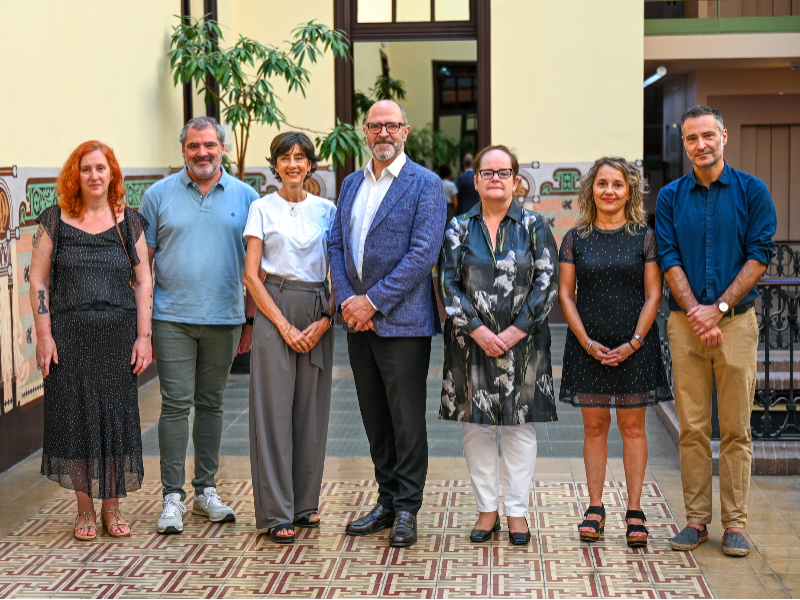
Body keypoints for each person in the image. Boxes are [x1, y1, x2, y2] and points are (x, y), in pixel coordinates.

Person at [656, 105, 776, 557]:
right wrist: (697, 313)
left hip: (737, 324)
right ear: (684, 144)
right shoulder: (670, 197)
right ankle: (695, 520)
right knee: (692, 428)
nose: (701, 144)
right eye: (692, 138)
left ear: (724, 136)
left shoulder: (752, 191)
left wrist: (719, 308)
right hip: (686, 326)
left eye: (708, 135)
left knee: (737, 428)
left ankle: (736, 524)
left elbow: (759, 254)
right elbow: (668, 256)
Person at [329, 99, 447, 548]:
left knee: (406, 420)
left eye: (392, 126)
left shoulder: (425, 184)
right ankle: (385, 501)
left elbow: (423, 254)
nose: (383, 133)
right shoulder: (351, 184)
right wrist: (348, 300)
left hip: (403, 322)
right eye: (375, 126)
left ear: (405, 131)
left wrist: (372, 302)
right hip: (357, 322)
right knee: (375, 417)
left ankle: (408, 509)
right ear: (365, 131)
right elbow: (337, 244)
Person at [138, 116, 259, 534]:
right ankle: (172, 496)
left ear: (222, 148)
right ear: (183, 150)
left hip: (225, 318)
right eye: (193, 146)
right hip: (171, 318)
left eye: (209, 145)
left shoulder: (247, 197)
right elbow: (143, 267)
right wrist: (144, 328)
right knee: (174, 405)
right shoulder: (157, 196)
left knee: (211, 404)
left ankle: (206, 491)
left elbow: (255, 269)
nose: (202, 153)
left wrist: (249, 321)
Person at [29, 141, 152, 541]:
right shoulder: (55, 219)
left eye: (101, 168)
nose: (94, 175)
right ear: (75, 176)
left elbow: (144, 280)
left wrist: (144, 336)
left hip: (118, 339)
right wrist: (44, 336)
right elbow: (38, 280)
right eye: (86, 169)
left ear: (112, 174)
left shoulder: (129, 222)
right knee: (76, 419)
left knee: (114, 419)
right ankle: (84, 510)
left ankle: (111, 509)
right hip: (69, 339)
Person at [439, 145, 558, 546]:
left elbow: (547, 283)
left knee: (520, 428)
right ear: (475, 181)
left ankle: (517, 512)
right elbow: (448, 284)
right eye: (487, 173)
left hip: (524, 345)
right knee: (477, 428)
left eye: (502, 172)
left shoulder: (535, 225)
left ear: (515, 181)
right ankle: (487, 510)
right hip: (469, 343)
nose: (495, 179)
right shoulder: (458, 228)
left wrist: (514, 332)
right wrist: (478, 330)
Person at [558, 157, 672, 548]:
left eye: (618, 184)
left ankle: (635, 511)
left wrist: (635, 342)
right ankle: (595, 508)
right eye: (602, 183)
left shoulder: (645, 237)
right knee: (594, 428)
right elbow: (565, 295)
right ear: (591, 189)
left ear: (630, 191)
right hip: (588, 346)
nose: (609, 191)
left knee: (633, 428)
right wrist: (587, 342)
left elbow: (654, 294)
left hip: (634, 346)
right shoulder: (575, 239)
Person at [243, 132, 336, 544]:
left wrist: (327, 319)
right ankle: (276, 511)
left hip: (317, 307)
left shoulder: (328, 210)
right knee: (273, 412)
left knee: (311, 412)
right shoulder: (261, 208)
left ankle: (304, 503)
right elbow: (251, 275)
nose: (293, 164)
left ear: (310, 164)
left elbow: (338, 270)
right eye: (285, 158)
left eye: (300, 157)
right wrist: (283, 325)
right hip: (274, 307)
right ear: (275, 165)